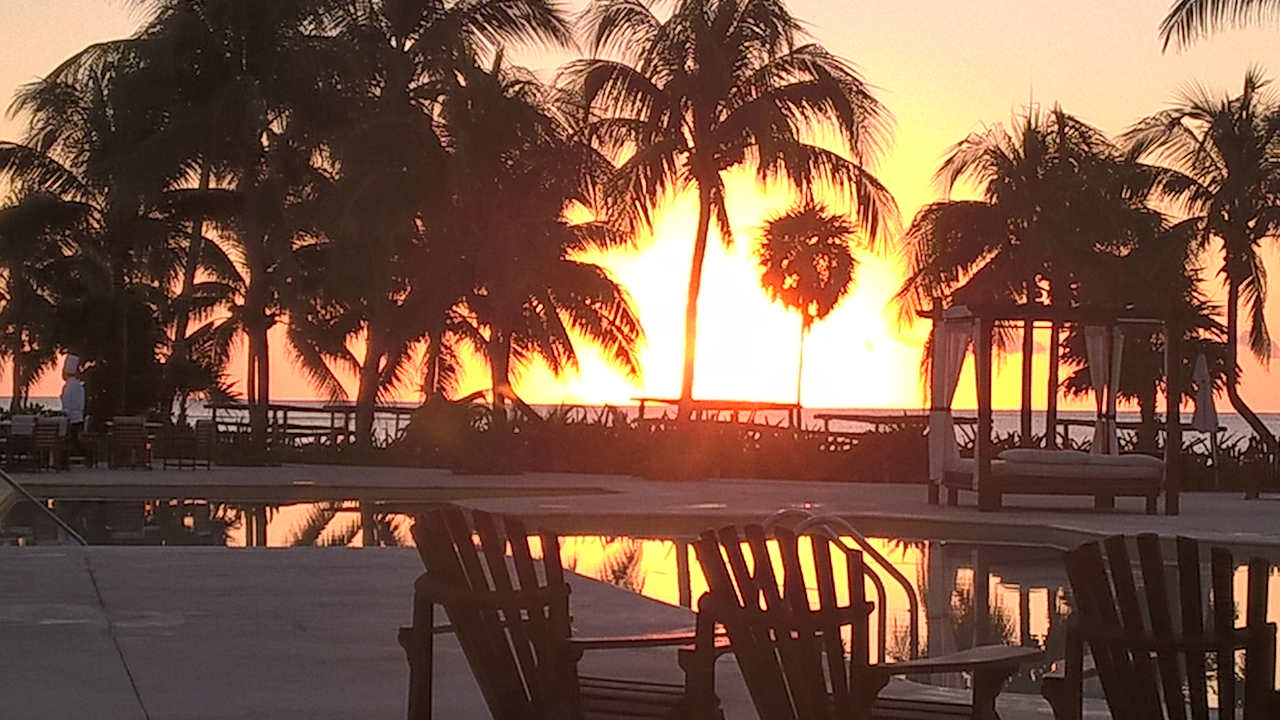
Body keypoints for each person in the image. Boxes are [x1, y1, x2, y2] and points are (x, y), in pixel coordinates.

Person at [60, 354, 85, 444]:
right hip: (79, 420)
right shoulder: (79, 385)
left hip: (72, 423)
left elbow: (68, 407)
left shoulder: (69, 387)